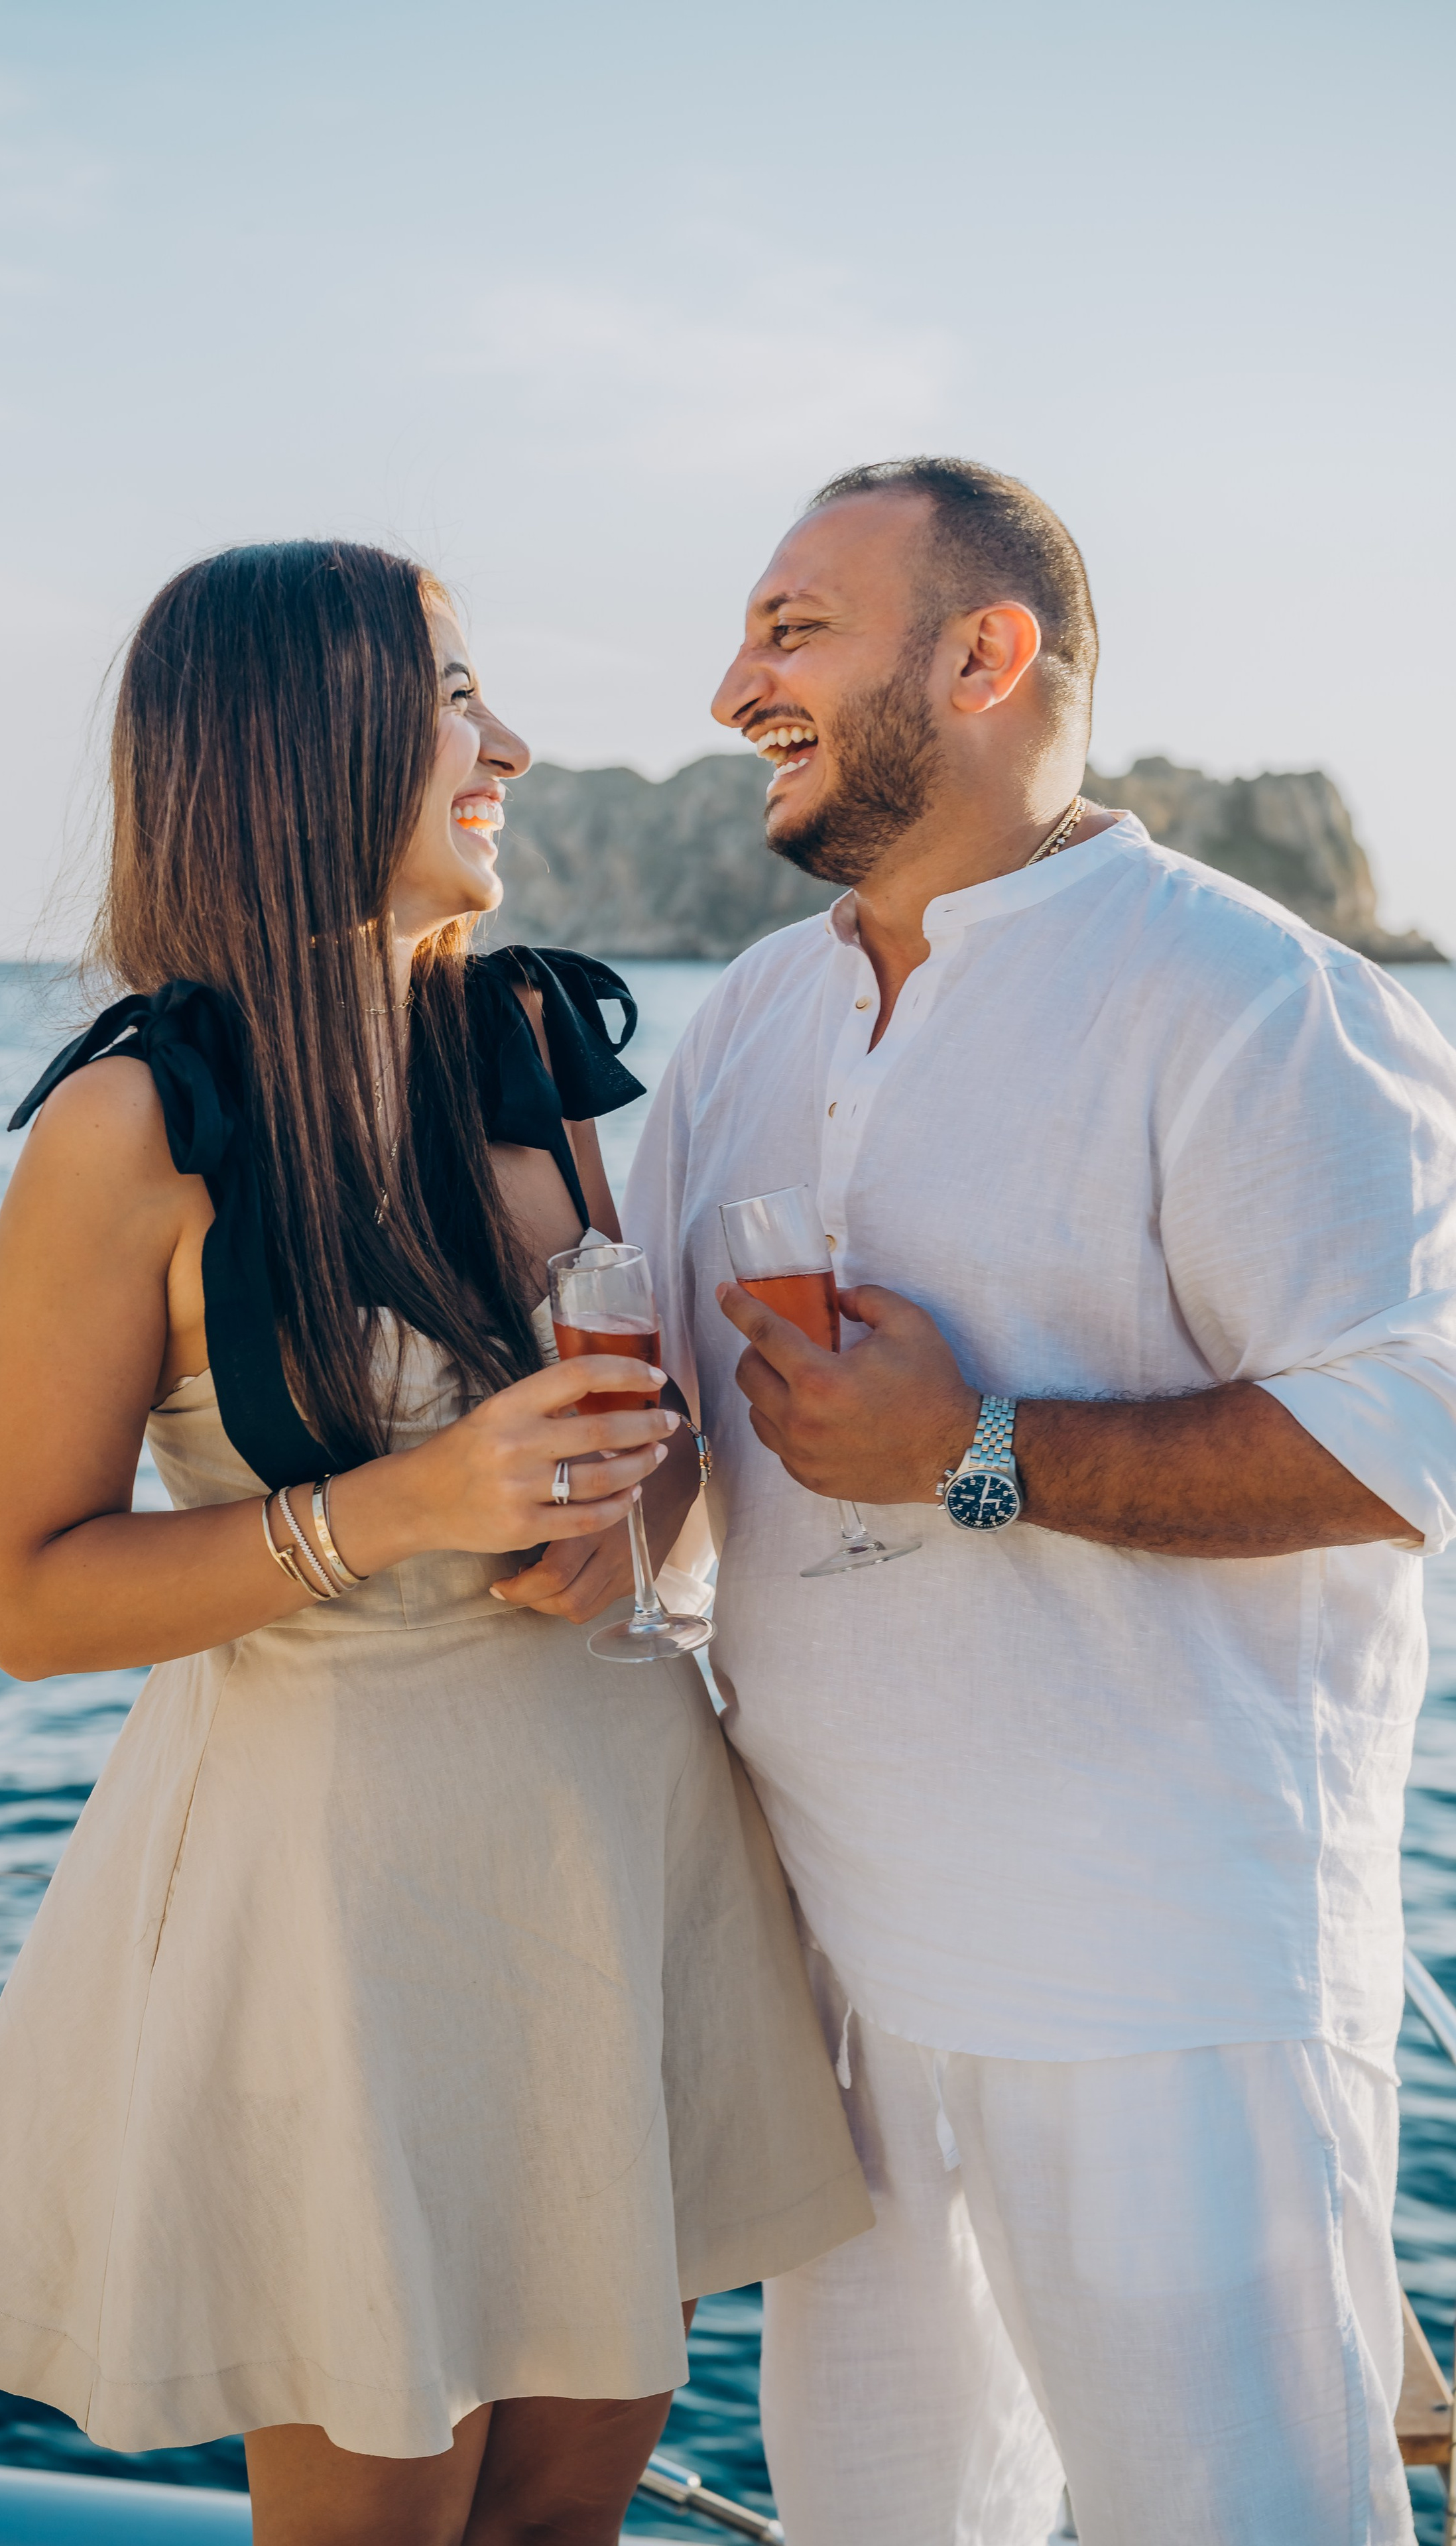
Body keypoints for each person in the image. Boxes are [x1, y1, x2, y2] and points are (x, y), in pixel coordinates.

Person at [0, 540, 870, 2546]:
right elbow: (29, 1593)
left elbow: (641, 1478)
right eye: (454, 700)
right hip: (345, 1912)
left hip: (618, 1858)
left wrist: (633, 1514)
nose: (505, 743)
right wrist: (403, 1506)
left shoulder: (532, 1056)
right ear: (298, 744)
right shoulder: (132, 1133)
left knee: (561, 2525)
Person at [623, 458, 1456, 2545]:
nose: (736, 682)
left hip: (1160, 1981)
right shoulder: (750, 1018)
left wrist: (976, 1450)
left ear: (984, 657)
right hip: (843, 1978)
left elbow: (1408, 1434)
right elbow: (677, 1475)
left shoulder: (1251, 998)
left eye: (794, 630)